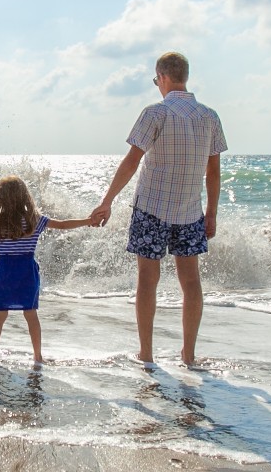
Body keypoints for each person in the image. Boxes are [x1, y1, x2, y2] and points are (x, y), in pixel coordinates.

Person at [88, 51, 228, 367]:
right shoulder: (209, 117)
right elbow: (214, 173)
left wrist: (107, 200)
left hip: (151, 209)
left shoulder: (155, 114)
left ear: (162, 77)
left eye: (156, 80)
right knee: (191, 282)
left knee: (147, 280)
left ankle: (147, 354)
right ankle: (188, 355)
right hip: (191, 212)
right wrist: (212, 213)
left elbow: (131, 161)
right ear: (185, 77)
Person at [0, 176, 97, 364]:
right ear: (24, 196)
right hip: (26, 272)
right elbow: (63, 225)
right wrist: (88, 220)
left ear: (0, 198)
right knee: (31, 314)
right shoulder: (34, 220)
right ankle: (38, 357)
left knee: (0, 315)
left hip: (4, 272)